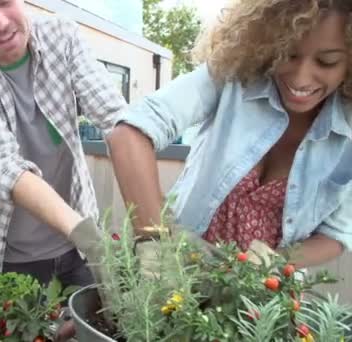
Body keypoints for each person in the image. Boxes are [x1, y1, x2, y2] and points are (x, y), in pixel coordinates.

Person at [109, 0, 352, 268]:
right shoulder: (234, 78)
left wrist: (269, 264)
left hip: (265, 294)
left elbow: (337, 233)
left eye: (326, 62)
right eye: (289, 55)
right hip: (183, 274)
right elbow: (129, 134)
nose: (301, 78)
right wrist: (156, 243)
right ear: (271, 43)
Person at [0, 0, 127, 289]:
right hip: (11, 256)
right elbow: (4, 165)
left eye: (4, 2)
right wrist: (89, 237)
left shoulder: (62, 36)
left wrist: (154, 230)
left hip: (78, 251)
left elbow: (117, 119)